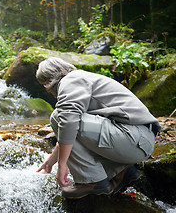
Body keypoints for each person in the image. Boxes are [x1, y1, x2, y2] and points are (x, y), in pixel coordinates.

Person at [35, 57, 160, 199]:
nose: (50, 93)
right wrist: (51, 160)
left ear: (49, 81)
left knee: (58, 116)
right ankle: (121, 172)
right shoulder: (83, 79)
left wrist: (62, 164)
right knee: (64, 119)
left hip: (134, 139)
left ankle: (92, 181)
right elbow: (72, 133)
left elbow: (68, 122)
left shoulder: (71, 80)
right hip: (138, 141)